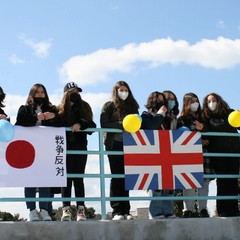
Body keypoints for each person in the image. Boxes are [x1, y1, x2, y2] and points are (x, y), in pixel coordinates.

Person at [15, 83, 59, 221]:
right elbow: (20, 122)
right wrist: (36, 118)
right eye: (37, 92)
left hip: (46, 150)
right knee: (30, 180)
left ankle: (45, 210)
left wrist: (53, 117)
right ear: (32, 94)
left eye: (42, 92)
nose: (40, 94)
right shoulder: (24, 109)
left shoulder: (52, 109)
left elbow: (60, 124)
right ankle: (32, 210)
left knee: (45, 180)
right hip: (28, 150)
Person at [100, 80, 139, 220]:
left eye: (126, 90)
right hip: (114, 144)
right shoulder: (109, 105)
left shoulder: (133, 106)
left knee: (126, 178)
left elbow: (137, 123)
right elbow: (104, 123)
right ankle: (116, 211)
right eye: (121, 90)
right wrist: (121, 125)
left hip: (130, 145)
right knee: (116, 176)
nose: (124, 92)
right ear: (115, 91)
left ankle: (126, 210)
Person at [58, 82, 96, 221]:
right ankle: (66, 210)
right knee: (65, 179)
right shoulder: (60, 109)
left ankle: (81, 210)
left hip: (80, 147)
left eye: (77, 91)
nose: (76, 93)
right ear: (66, 94)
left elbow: (92, 125)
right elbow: (55, 124)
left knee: (78, 179)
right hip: (64, 147)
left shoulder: (84, 106)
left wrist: (81, 123)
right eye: (72, 91)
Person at [141, 91, 178, 219]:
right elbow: (153, 127)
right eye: (159, 99)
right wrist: (160, 114)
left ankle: (168, 212)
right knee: (156, 186)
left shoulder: (171, 117)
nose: (162, 102)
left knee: (168, 185)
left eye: (164, 100)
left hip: (169, 153)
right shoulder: (146, 115)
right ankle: (156, 213)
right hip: (153, 154)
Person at [201, 93, 240, 217]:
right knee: (222, 181)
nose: (211, 103)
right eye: (209, 101)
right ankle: (223, 210)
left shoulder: (230, 112)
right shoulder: (206, 117)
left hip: (234, 152)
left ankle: (234, 210)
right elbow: (206, 136)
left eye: (213, 100)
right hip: (218, 154)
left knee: (233, 180)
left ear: (219, 101)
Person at [177, 92, 212, 218]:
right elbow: (180, 137)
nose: (195, 104)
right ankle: (188, 209)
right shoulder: (181, 120)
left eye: (196, 101)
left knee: (204, 182)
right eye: (192, 101)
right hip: (188, 155)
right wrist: (197, 140)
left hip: (204, 154)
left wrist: (202, 129)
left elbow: (209, 137)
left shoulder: (204, 118)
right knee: (188, 182)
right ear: (186, 103)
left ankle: (203, 209)